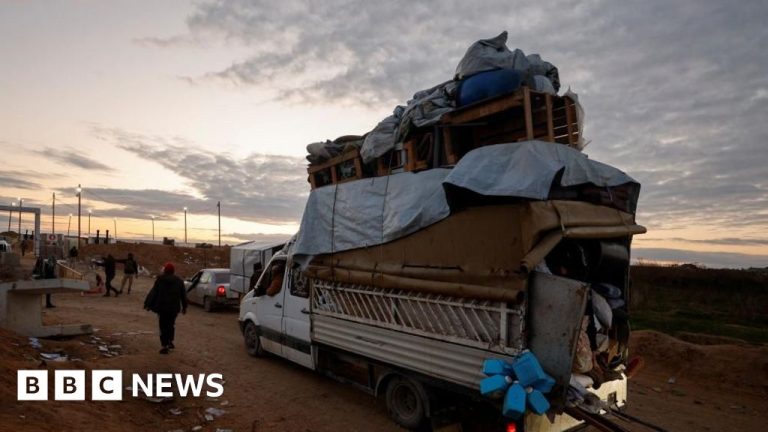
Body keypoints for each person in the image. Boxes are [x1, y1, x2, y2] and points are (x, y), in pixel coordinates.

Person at [144, 262, 187, 354]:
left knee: (163, 326)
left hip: (162, 308)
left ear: (165, 270)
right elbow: (183, 295)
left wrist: (148, 304)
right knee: (171, 324)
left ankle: (164, 345)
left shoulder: (160, 279)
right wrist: (184, 307)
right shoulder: (179, 281)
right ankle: (170, 341)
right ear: (173, 271)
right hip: (174, 308)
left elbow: (154, 292)